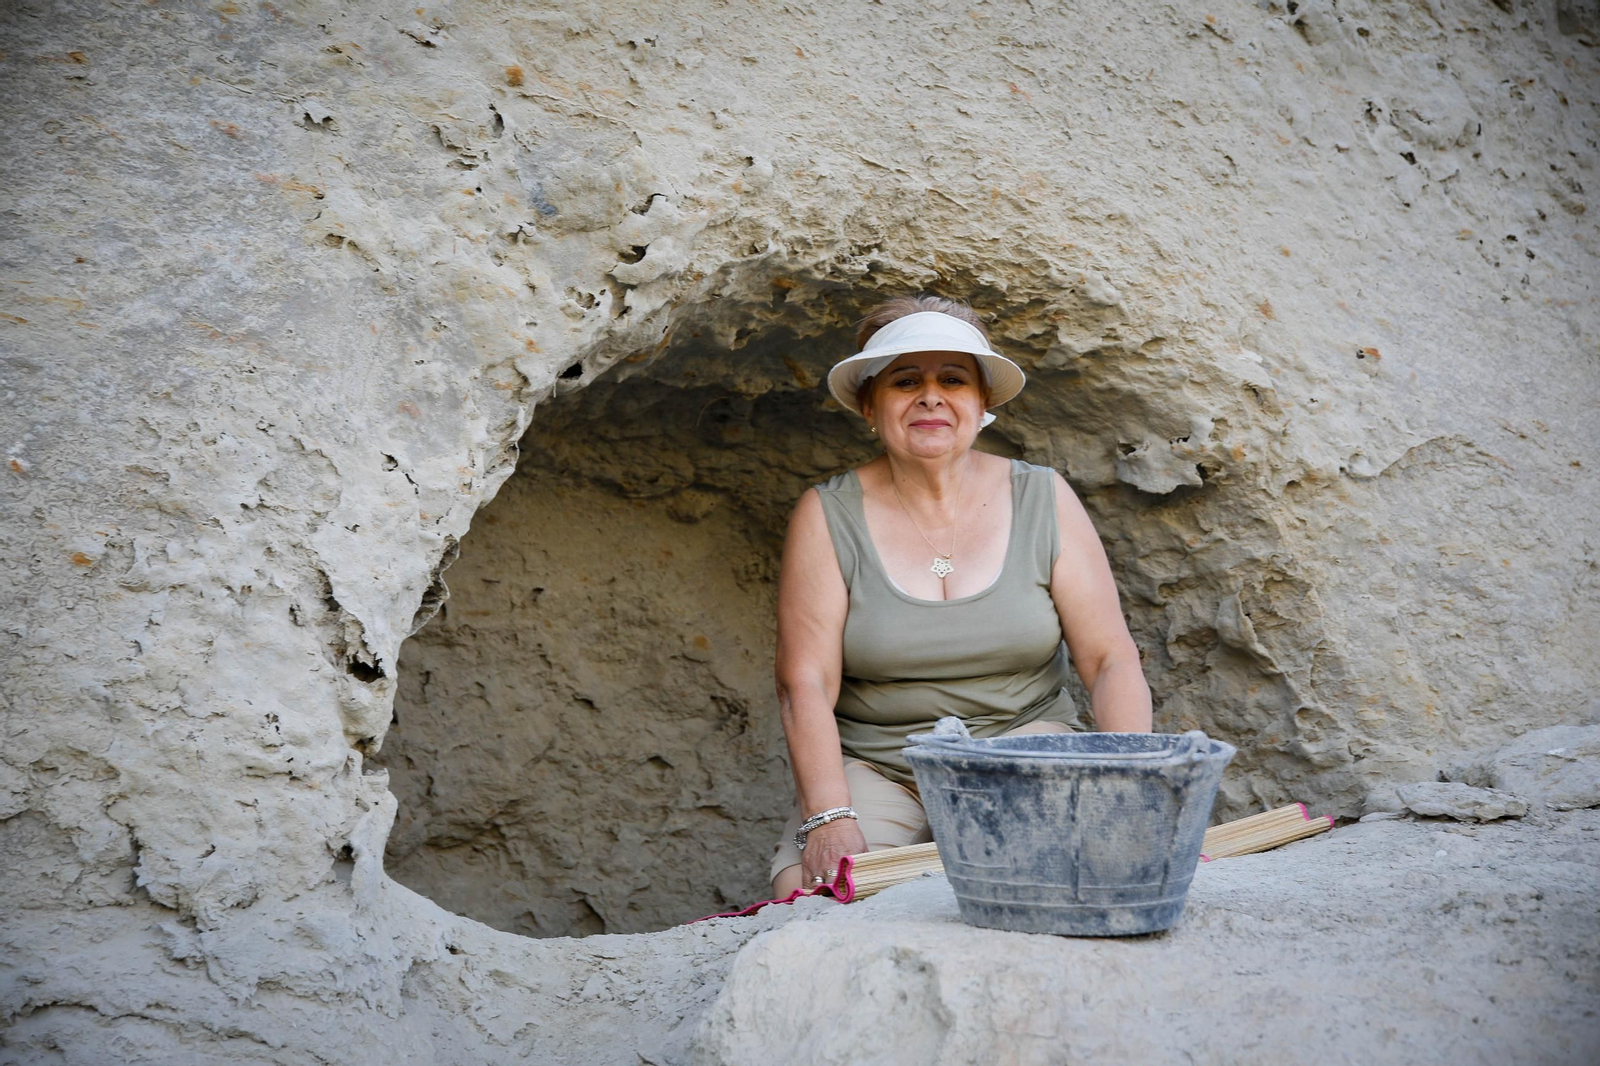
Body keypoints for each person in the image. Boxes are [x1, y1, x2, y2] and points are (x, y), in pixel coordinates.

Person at [769, 294, 1154, 896]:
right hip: (883, 765)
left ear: (982, 403)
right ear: (870, 405)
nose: (930, 396)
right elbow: (804, 684)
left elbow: (1109, 659)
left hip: (1024, 749)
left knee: (1049, 875)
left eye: (953, 378)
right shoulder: (826, 514)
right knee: (813, 892)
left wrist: (1128, 783)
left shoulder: (1043, 498)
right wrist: (830, 819)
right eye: (905, 381)